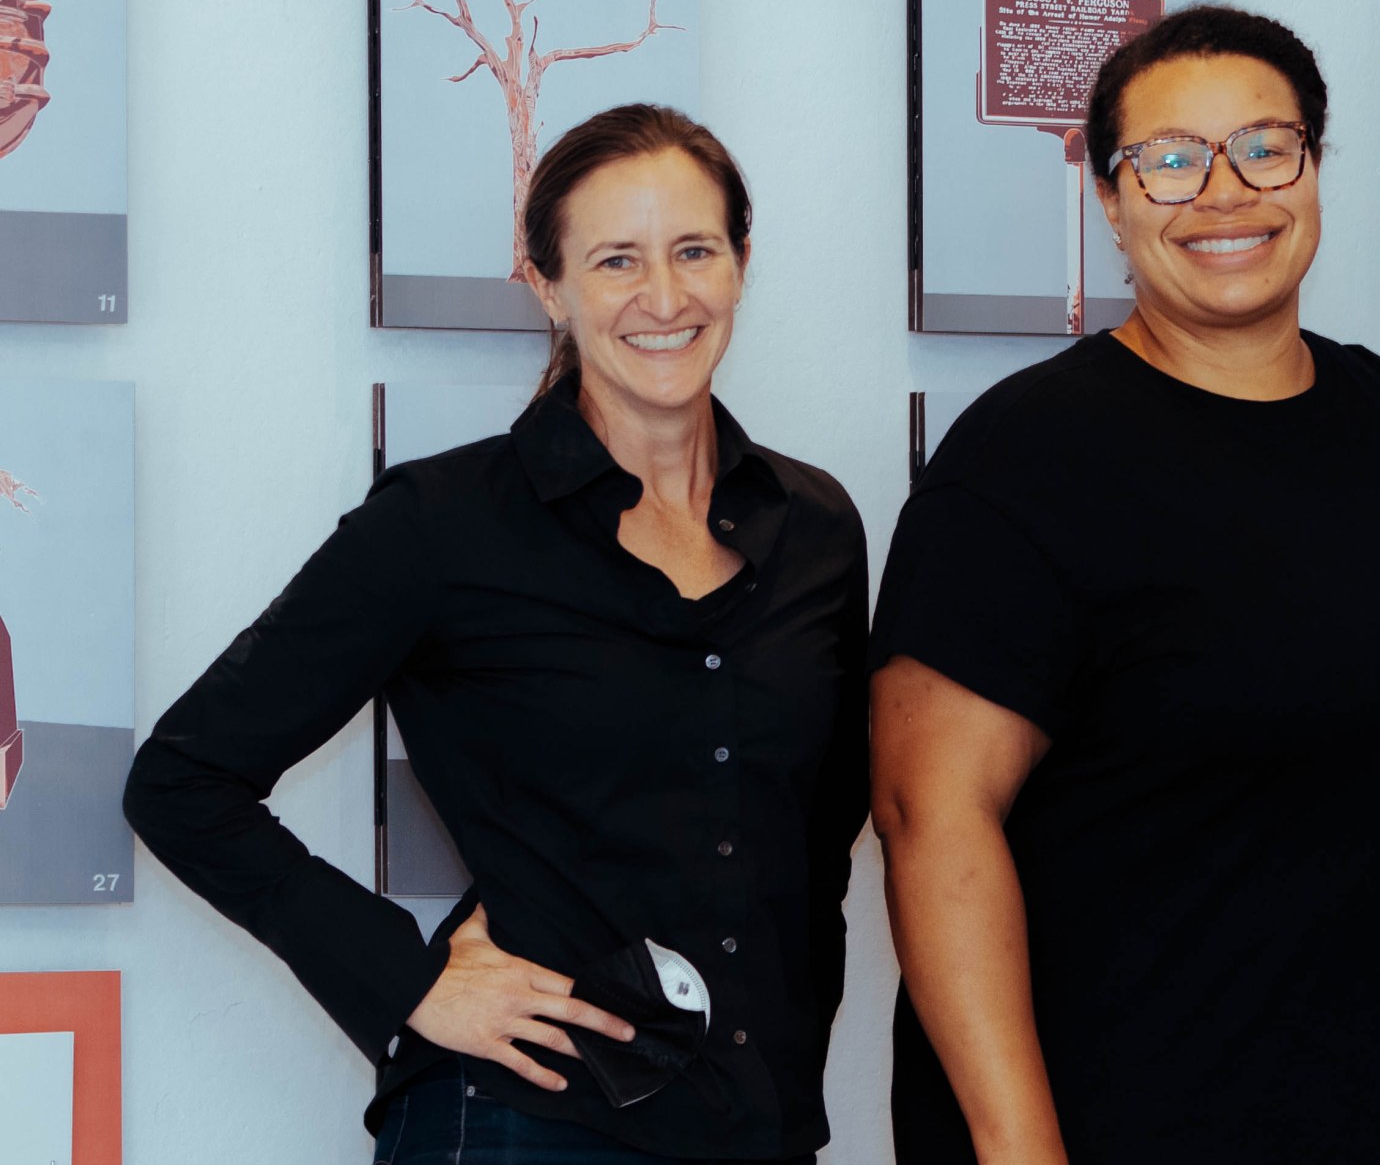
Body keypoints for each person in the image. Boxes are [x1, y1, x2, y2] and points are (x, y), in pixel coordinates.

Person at [869, 4, 1380, 1165]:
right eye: (1168, 162)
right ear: (1109, 202)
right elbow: (930, 817)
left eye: (1266, 146)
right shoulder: (1027, 460)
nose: (1225, 192)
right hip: (1152, 1111)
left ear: (1313, 170)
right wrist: (1018, 1149)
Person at [122, 104, 869, 1164]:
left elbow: (813, 838)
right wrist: (408, 982)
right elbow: (182, 782)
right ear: (548, 285)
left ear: (742, 263)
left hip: (758, 1121)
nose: (665, 297)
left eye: (694, 250)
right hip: (525, 1118)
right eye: (616, 260)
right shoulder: (442, 523)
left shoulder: (820, 528)